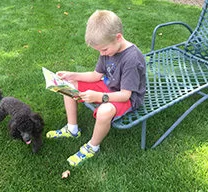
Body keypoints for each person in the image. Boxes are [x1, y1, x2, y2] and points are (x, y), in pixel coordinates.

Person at [46, 10, 146, 167]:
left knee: (104, 111)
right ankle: (72, 129)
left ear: (118, 37)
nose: (102, 54)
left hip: (128, 97)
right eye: (99, 51)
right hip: (109, 86)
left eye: (104, 50)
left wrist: (100, 97)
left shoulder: (132, 59)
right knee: (69, 86)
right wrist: (72, 75)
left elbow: (125, 95)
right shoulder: (108, 47)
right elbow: (95, 75)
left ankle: (93, 146)